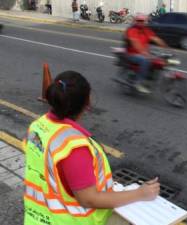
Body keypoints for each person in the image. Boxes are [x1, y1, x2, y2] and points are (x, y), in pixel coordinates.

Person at [23, 71, 161, 225]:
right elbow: (88, 199)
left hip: (36, 217)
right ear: (87, 103)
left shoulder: (37, 126)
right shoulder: (74, 147)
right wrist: (139, 193)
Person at [124, 14, 168, 93]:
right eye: (138, 21)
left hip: (142, 53)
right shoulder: (132, 30)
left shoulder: (146, 31)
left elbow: (156, 39)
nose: (140, 22)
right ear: (135, 21)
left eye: (142, 21)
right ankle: (138, 83)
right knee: (145, 60)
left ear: (145, 22)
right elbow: (135, 43)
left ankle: (150, 77)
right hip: (131, 54)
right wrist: (145, 53)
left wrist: (167, 48)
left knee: (158, 60)